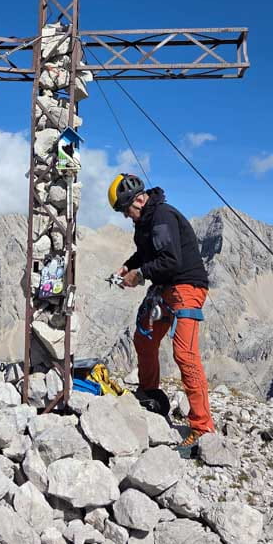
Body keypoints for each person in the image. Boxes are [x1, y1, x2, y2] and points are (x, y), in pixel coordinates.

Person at [108, 173, 215, 446]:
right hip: (167, 289)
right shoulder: (146, 221)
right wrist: (128, 266)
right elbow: (146, 253)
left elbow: (169, 259)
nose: (125, 216)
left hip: (186, 287)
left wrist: (139, 275)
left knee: (185, 353)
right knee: (143, 338)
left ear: (140, 199)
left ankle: (203, 428)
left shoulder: (162, 217)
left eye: (125, 209)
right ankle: (149, 395)